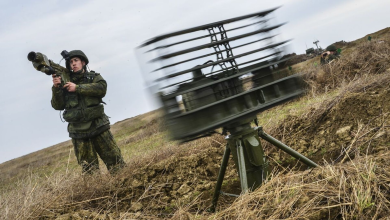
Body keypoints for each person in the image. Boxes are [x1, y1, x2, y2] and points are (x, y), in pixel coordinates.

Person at [51, 50, 126, 174]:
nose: (73, 64)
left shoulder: (94, 77)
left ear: (83, 62)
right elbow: (57, 105)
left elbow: (101, 88)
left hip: (99, 127)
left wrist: (77, 88)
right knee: (90, 171)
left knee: (116, 163)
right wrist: (56, 88)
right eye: (71, 62)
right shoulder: (64, 83)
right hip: (79, 133)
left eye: (76, 60)